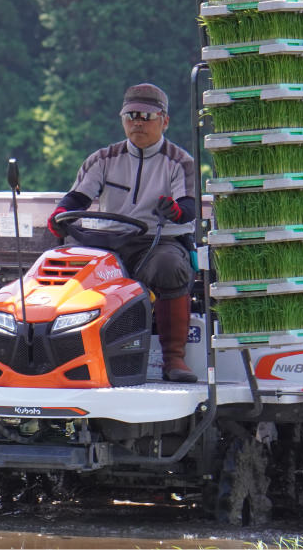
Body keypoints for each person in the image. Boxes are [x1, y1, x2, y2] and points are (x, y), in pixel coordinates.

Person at [47, 83, 198, 383]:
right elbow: (77, 197)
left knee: (169, 266)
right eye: (131, 116)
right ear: (122, 119)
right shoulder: (102, 159)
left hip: (158, 240)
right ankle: (58, 354)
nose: (137, 122)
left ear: (164, 120)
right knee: (62, 267)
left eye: (146, 115)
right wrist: (58, 214)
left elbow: (188, 207)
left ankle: (173, 358)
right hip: (105, 242)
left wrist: (176, 212)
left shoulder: (181, 162)